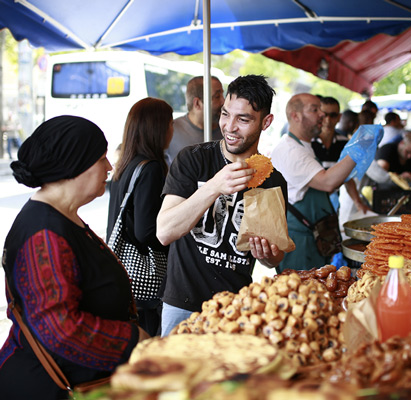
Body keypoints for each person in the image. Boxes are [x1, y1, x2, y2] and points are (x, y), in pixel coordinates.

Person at [0, 116, 149, 400]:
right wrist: (134, 341)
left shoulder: (62, 217)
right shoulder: (42, 233)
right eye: (101, 158)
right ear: (75, 165)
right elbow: (59, 329)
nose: (109, 167)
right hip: (47, 389)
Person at [156, 75, 287, 336]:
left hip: (236, 309)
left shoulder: (272, 180)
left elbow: (276, 257)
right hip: (182, 303)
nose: (229, 127)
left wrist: (268, 254)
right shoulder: (193, 160)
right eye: (225, 114)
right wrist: (214, 186)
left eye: (243, 119)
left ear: (266, 122)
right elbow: (164, 232)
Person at [107, 98, 173, 336]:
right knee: (146, 341)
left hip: (124, 271)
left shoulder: (125, 164)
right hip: (144, 273)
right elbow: (145, 231)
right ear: (157, 128)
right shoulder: (151, 168)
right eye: (169, 123)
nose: (172, 129)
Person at [270, 93, 358, 272]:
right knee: (300, 294)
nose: (322, 115)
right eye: (314, 110)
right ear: (295, 116)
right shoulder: (290, 150)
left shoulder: (304, 146)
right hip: (299, 242)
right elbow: (327, 182)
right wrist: (358, 151)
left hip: (314, 236)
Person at [165, 76, 225, 164]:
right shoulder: (171, 131)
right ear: (197, 103)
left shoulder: (227, 131)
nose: (223, 101)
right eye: (217, 96)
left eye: (223, 95)